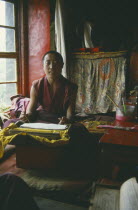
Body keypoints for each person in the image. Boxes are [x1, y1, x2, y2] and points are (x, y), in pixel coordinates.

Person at [3, 51, 78, 127]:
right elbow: (31, 111)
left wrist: (66, 121)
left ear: (62, 65)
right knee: (8, 124)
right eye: (48, 63)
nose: (52, 67)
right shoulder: (36, 85)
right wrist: (26, 117)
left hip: (58, 121)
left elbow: (70, 115)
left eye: (55, 63)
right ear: (43, 65)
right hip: (40, 119)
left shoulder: (71, 87)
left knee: (78, 129)